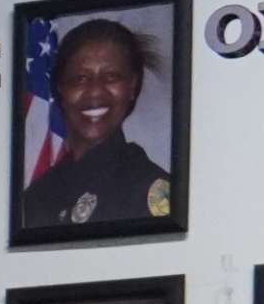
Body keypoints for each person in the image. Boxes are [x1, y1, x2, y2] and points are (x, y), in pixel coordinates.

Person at [17, 17, 176, 233]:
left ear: (132, 86)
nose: (94, 91)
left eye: (111, 77)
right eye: (80, 79)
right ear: (60, 89)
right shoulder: (36, 197)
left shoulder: (150, 190)